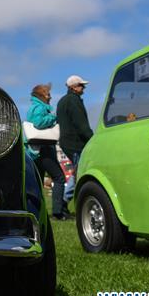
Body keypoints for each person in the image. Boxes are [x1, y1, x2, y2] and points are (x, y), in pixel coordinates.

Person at [27, 84, 70, 219]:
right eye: (48, 94)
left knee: (38, 182)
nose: (50, 97)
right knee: (59, 178)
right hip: (43, 148)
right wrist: (53, 118)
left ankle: (37, 212)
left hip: (36, 150)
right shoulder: (40, 107)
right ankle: (58, 212)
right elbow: (39, 122)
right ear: (42, 95)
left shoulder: (34, 106)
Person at [56, 75, 94, 204]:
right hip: (75, 143)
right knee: (79, 172)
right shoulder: (73, 101)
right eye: (81, 85)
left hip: (66, 142)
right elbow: (81, 124)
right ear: (74, 87)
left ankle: (63, 202)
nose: (84, 88)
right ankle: (64, 201)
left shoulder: (62, 101)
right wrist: (92, 139)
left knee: (77, 171)